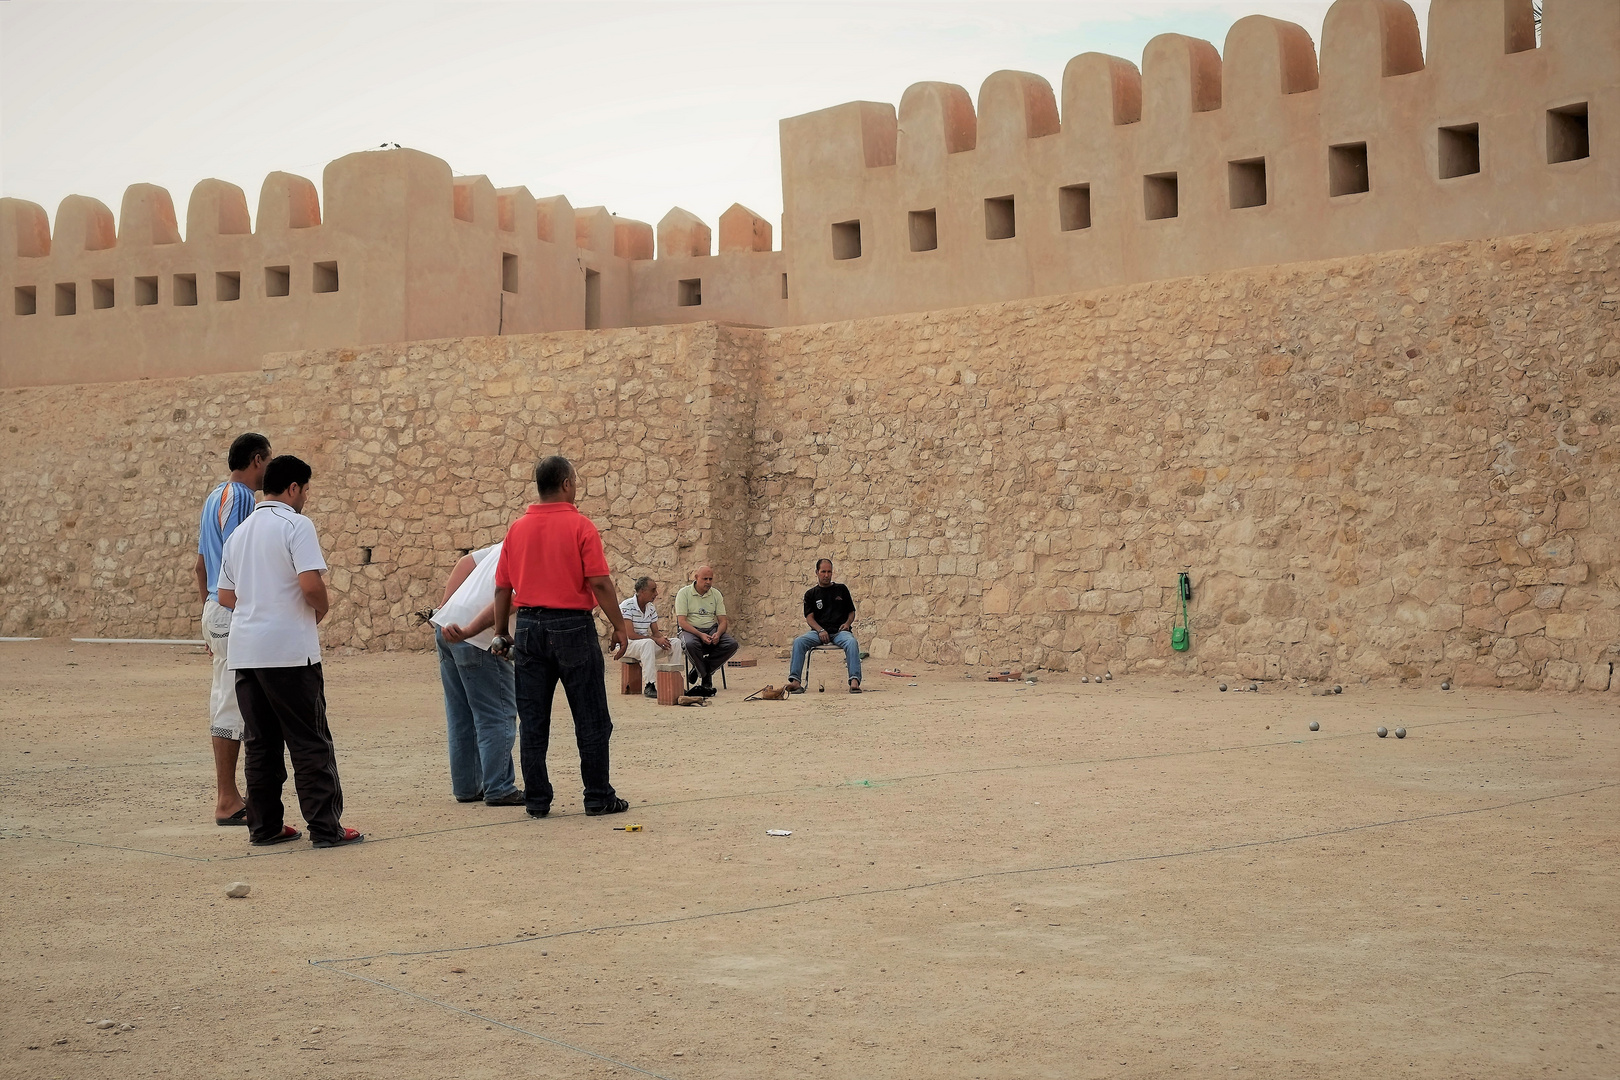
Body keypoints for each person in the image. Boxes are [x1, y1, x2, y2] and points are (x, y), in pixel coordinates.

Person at [217, 455, 363, 849]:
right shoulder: (296, 525)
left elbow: (226, 595)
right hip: (289, 653)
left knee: (260, 744)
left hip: (245, 652)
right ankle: (325, 828)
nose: (307, 499)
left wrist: (258, 607)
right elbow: (311, 585)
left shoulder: (240, 533)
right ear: (294, 488)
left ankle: (264, 827)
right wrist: (320, 610)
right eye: (306, 490)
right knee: (309, 741)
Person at [489, 455, 631, 819]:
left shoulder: (516, 529)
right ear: (566, 483)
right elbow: (599, 581)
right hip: (572, 626)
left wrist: (501, 633)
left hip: (529, 628)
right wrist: (619, 624)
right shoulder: (581, 526)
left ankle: (537, 800)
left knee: (534, 719)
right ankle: (598, 796)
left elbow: (503, 588)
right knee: (591, 716)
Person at [194, 431, 271, 827]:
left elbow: (201, 565)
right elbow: (237, 560)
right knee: (230, 701)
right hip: (229, 608)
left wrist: (209, 615)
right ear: (257, 460)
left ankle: (235, 795)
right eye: (266, 463)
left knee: (231, 696)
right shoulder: (242, 498)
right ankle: (227, 799)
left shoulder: (213, 497)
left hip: (214, 608)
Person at [430, 544, 523, 806]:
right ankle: (499, 787)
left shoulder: (507, 543)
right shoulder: (541, 549)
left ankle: (468, 786)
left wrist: (445, 608)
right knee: (497, 712)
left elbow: (466, 563)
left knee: (461, 712)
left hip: (447, 625)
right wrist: (471, 629)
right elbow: (513, 597)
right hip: (478, 637)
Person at [786, 558, 862, 693]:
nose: (826, 575)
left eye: (829, 572)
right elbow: (809, 618)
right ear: (817, 572)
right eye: (823, 572)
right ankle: (795, 681)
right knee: (799, 642)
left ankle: (854, 681)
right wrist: (820, 630)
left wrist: (847, 624)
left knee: (851, 642)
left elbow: (851, 612)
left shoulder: (841, 589)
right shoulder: (811, 594)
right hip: (818, 632)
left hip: (839, 632)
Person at [673, 565, 738, 697]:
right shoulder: (684, 593)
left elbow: (723, 621)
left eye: (710, 579)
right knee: (690, 644)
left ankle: (700, 669)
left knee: (732, 644)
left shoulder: (716, 594)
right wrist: (700, 634)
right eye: (705, 579)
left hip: (711, 629)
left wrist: (718, 634)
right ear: (696, 578)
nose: (708, 582)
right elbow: (682, 622)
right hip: (690, 630)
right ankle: (706, 677)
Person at [615, 577, 682, 698]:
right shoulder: (627, 605)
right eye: (653, 590)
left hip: (644, 645)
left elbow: (655, 632)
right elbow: (630, 635)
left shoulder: (650, 607)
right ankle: (650, 685)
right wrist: (655, 640)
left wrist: (663, 640)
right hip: (627, 645)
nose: (656, 593)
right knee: (648, 643)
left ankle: (674, 680)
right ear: (642, 591)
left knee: (675, 642)